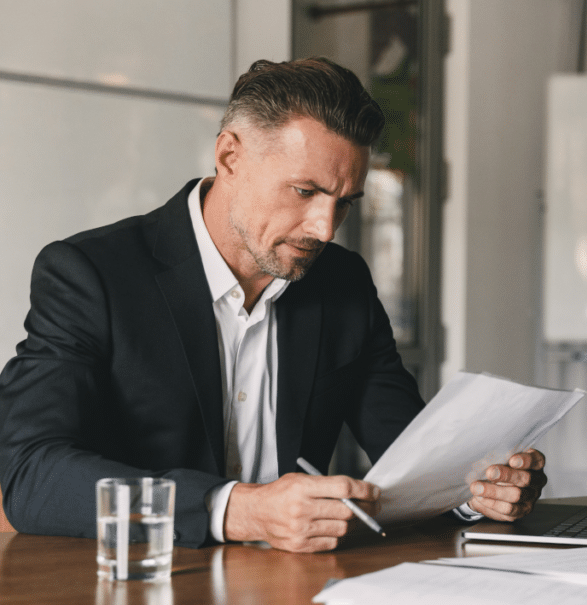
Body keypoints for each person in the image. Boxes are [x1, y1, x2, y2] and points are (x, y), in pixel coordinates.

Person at [0, 57, 546, 553]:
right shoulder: (91, 275)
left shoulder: (342, 283)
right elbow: (29, 473)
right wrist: (240, 511)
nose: (324, 229)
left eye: (344, 203)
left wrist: (479, 490)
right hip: (141, 586)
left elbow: (414, 456)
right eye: (305, 192)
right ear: (230, 156)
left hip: (294, 597)